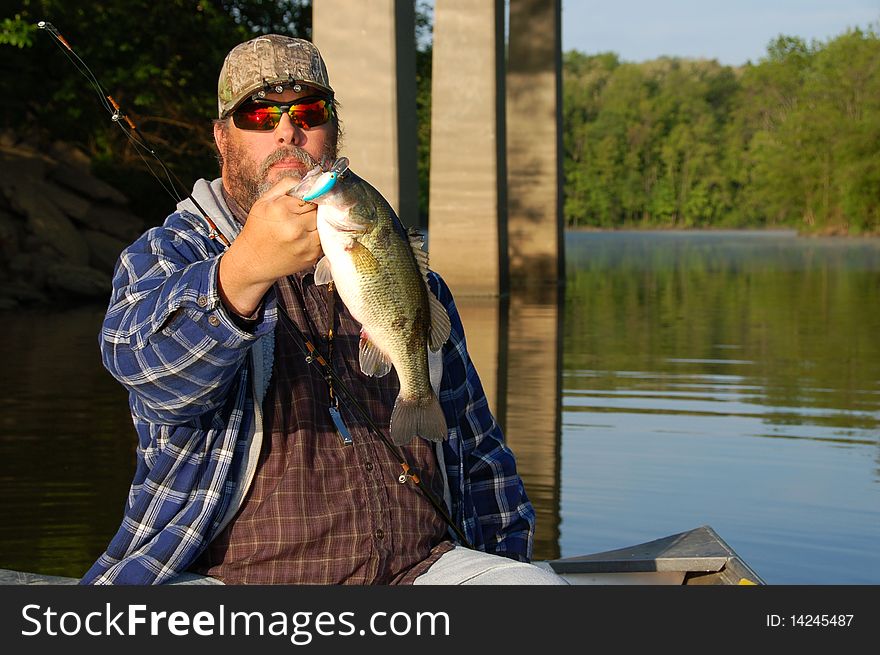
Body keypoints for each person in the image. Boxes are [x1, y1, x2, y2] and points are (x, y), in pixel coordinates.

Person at [81, 34, 565, 585]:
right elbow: (144, 369)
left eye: (308, 111)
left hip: (417, 570)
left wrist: (509, 560)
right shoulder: (172, 252)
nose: (287, 130)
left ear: (333, 130)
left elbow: (478, 449)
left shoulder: (399, 263)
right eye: (259, 114)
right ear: (222, 138)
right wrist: (241, 271)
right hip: (230, 580)